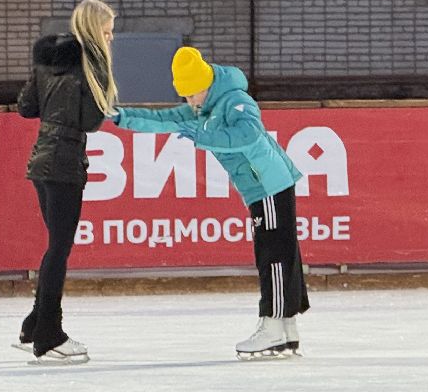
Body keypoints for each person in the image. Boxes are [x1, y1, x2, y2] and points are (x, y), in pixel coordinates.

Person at [114, 46, 308, 359]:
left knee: (273, 254)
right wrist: (123, 117)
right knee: (279, 253)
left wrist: (203, 134)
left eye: (193, 95)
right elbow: (164, 120)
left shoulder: (235, 101)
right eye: (185, 96)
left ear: (206, 84)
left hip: (268, 184)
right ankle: (286, 329)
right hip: (261, 187)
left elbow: (249, 135)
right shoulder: (202, 109)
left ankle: (272, 325)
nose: (189, 103)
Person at [15, 0, 119, 364]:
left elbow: (26, 106)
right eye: (107, 33)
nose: (110, 40)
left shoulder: (49, 61)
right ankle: (50, 333)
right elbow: (91, 120)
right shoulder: (93, 66)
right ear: (94, 31)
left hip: (41, 160)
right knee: (59, 249)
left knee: (54, 247)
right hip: (65, 162)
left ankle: (33, 323)